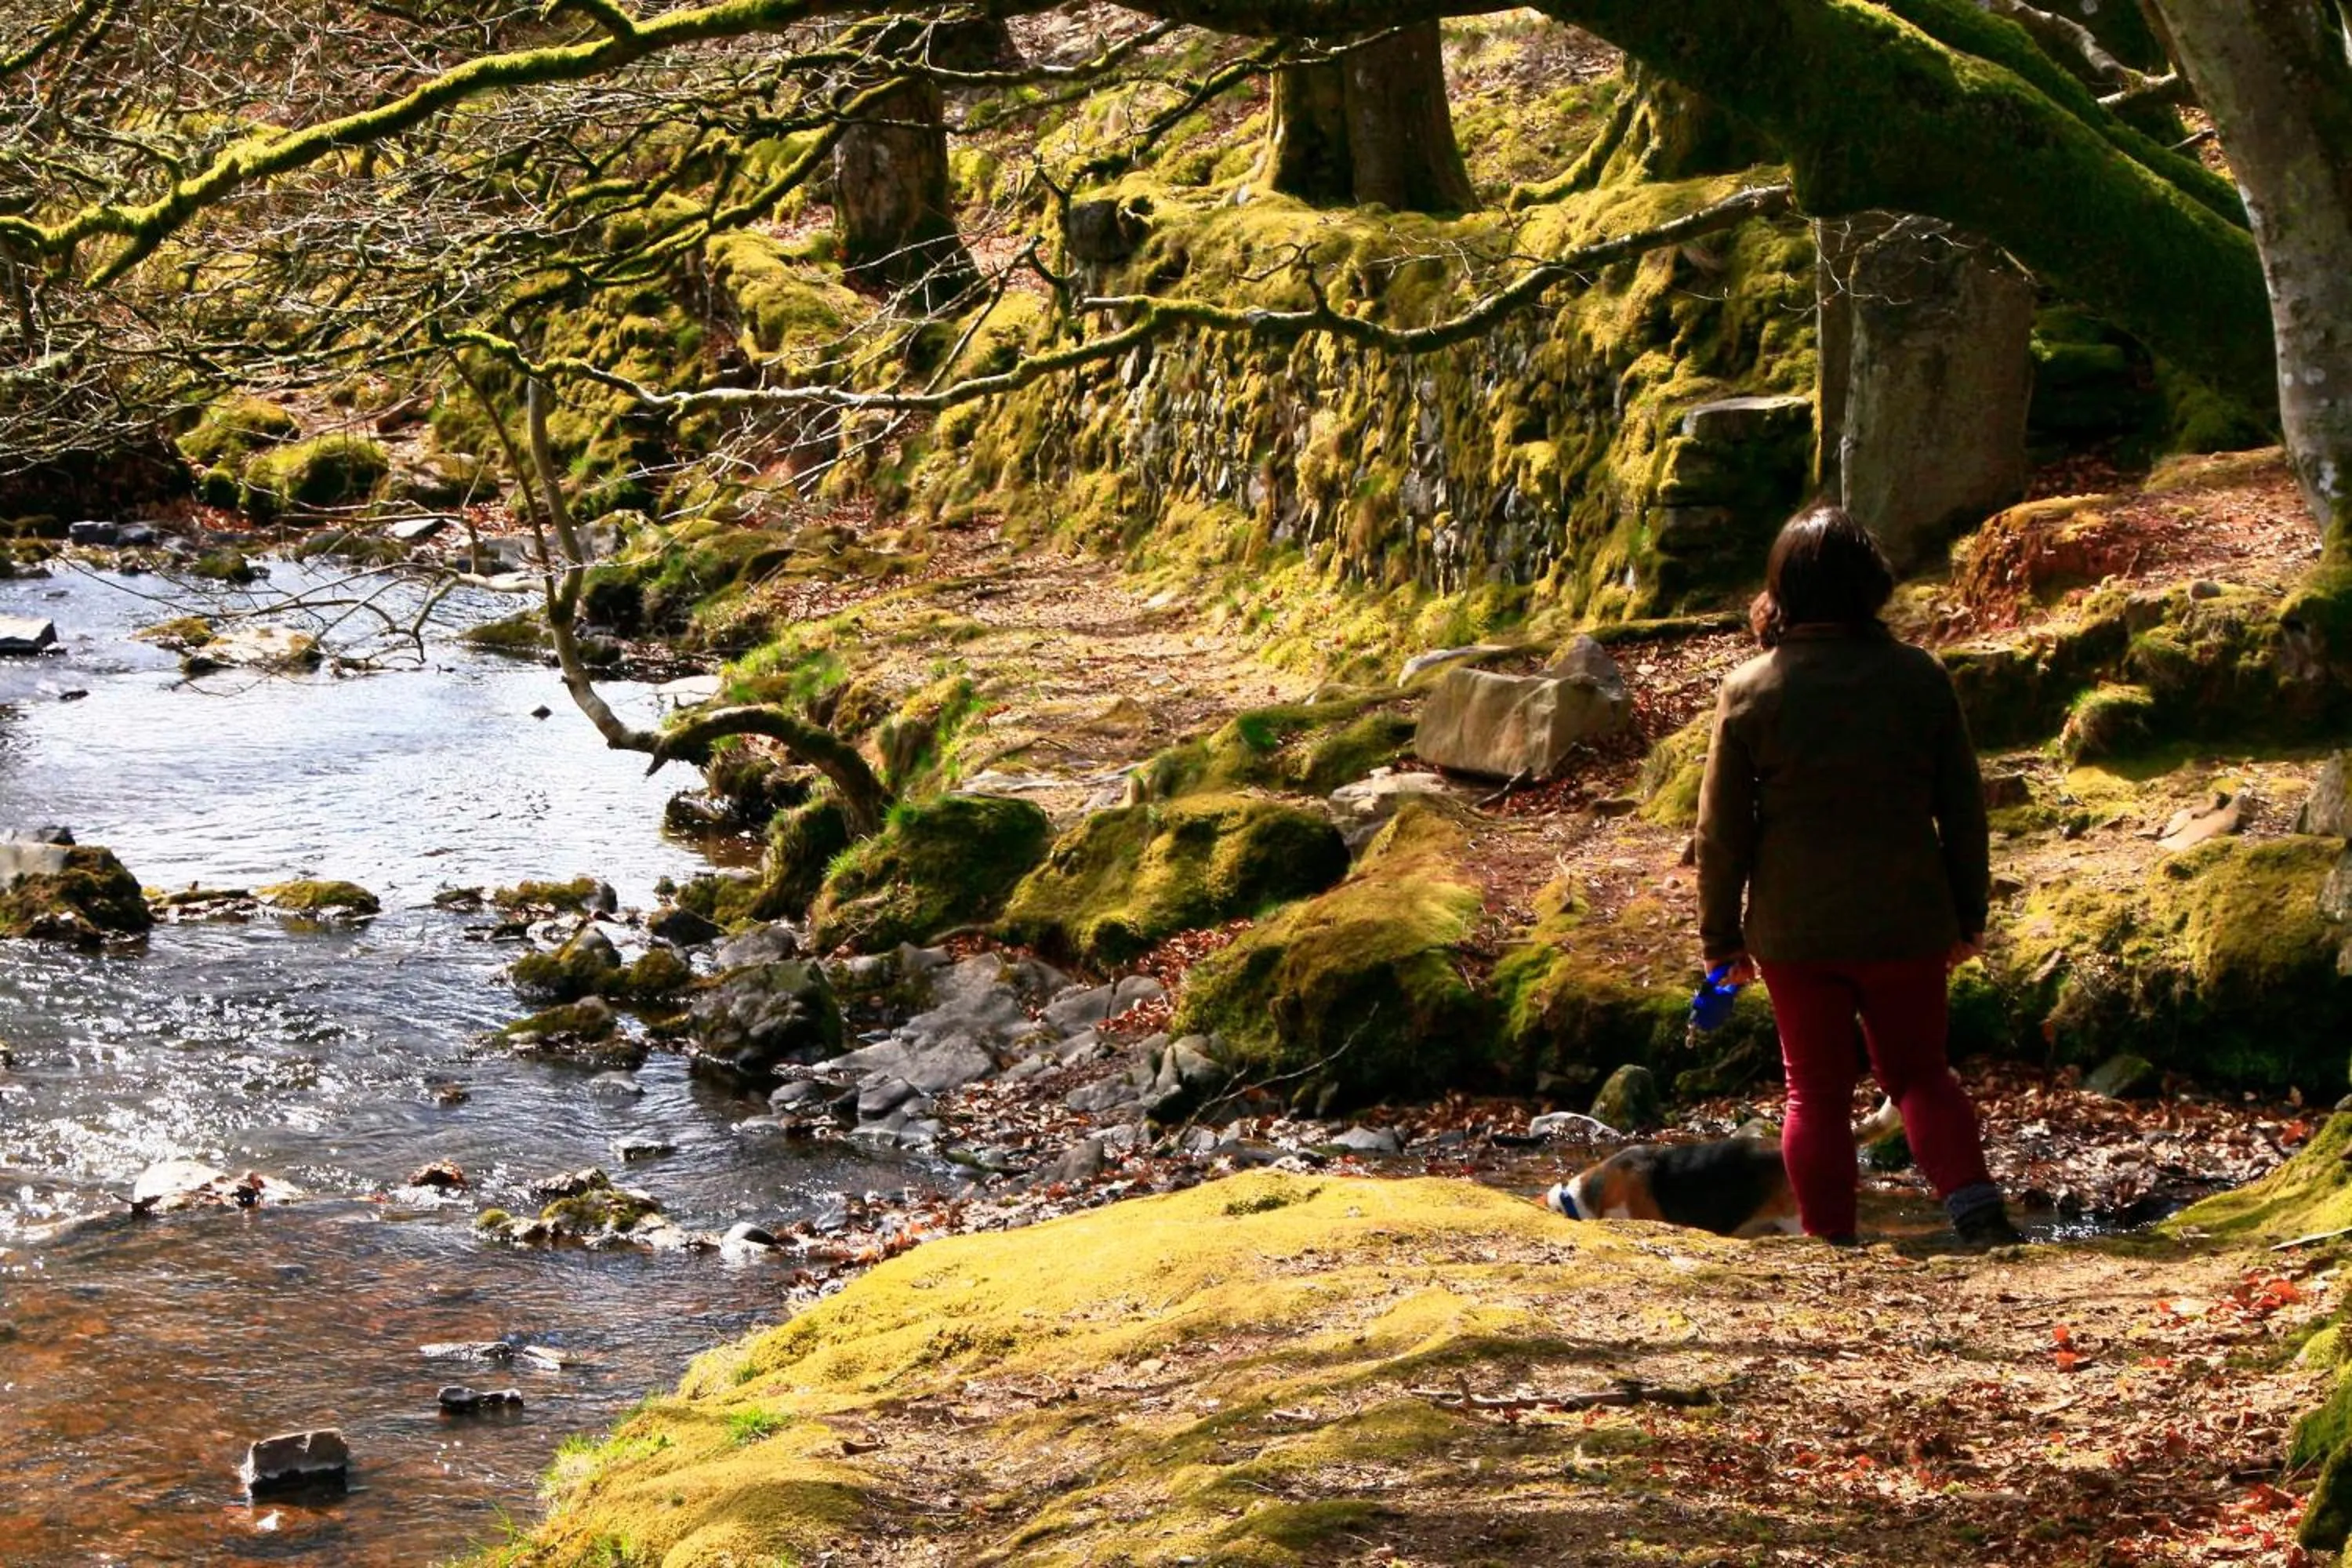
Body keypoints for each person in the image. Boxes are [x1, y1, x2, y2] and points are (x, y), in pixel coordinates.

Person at [1695, 502, 2018, 1247]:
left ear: (1785, 591)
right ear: (1872, 585)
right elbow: (1963, 810)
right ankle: (1976, 1210)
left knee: (1814, 1089)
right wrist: (1969, 914)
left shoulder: (1750, 692)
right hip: (1907, 918)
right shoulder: (1919, 679)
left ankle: (1833, 1241)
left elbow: (1721, 835)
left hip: (1793, 928)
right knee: (1920, 1075)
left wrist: (1720, 941)